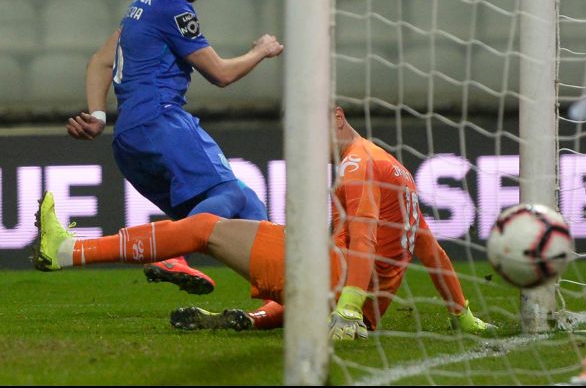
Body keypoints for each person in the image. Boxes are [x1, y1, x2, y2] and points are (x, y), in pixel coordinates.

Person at [34, 107, 496, 340]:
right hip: (348, 300)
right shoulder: (394, 168)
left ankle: (67, 251)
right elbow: (430, 250)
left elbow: (365, 237)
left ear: (336, 118)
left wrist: (349, 307)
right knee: (253, 240)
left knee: (204, 227)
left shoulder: (357, 165)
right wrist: (463, 315)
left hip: (331, 282)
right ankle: (252, 320)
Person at [64, 0, 284, 295]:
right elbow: (221, 74)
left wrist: (99, 116)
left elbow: (100, 61)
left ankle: (278, 290)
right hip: (161, 122)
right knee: (232, 193)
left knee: (232, 209)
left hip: (128, 140)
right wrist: (261, 50)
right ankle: (176, 257)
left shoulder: (140, 8)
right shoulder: (173, 9)